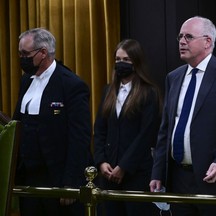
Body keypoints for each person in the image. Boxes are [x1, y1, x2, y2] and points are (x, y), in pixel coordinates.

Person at [149, 16, 216, 216]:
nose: (182, 41)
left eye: (188, 36)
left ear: (207, 42)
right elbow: (165, 130)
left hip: (214, 180)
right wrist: (158, 172)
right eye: (180, 37)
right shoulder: (174, 77)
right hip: (178, 179)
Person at [13, 28, 92, 216]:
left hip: (57, 179)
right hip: (28, 178)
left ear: (43, 53)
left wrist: (71, 183)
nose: (22, 58)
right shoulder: (26, 81)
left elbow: (80, 137)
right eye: (20, 53)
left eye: (25, 54)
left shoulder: (71, 85)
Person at [93, 39, 162, 216]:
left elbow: (146, 135)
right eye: (117, 59)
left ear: (136, 62)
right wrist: (101, 162)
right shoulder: (108, 91)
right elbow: (100, 130)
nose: (120, 64)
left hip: (136, 174)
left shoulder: (149, 92)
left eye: (126, 60)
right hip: (108, 173)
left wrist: (123, 166)